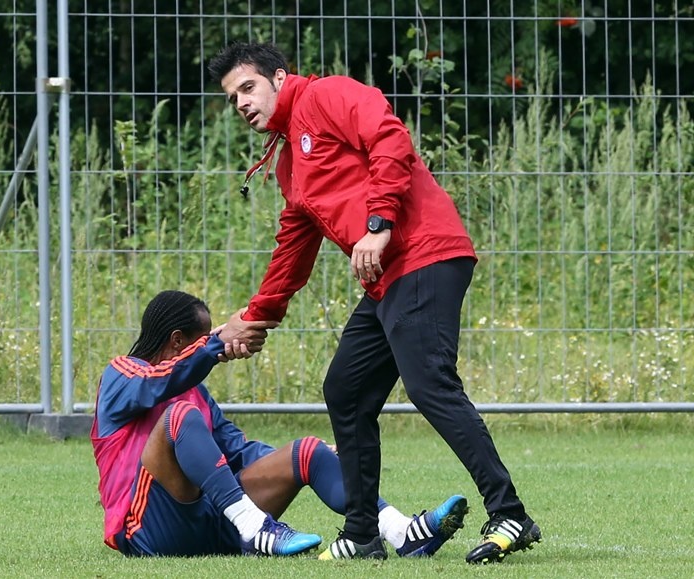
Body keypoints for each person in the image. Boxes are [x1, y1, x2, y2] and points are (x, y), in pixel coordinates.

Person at [207, 42, 541, 564]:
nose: (243, 103)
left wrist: (378, 224)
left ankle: (510, 514)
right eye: (232, 99)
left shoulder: (328, 95)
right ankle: (363, 534)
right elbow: (293, 249)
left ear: (278, 76)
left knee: (430, 384)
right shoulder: (290, 164)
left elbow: (391, 139)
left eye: (248, 88)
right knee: (346, 389)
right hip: (386, 279)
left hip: (424, 253)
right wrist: (255, 318)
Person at [91, 289, 468, 558]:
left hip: (215, 526)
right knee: (179, 418)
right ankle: (256, 529)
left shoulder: (196, 394)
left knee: (306, 451)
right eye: (200, 338)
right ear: (178, 341)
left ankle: (399, 531)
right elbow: (157, 383)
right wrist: (216, 344)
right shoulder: (122, 374)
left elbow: (236, 450)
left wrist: (311, 460)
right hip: (147, 532)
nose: (206, 343)